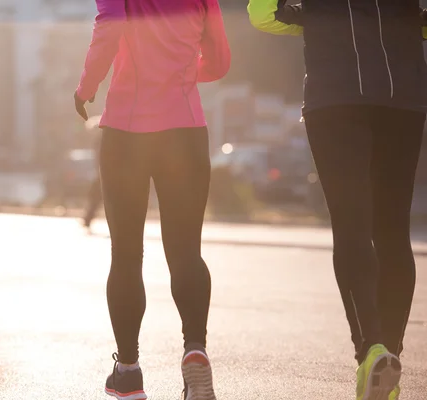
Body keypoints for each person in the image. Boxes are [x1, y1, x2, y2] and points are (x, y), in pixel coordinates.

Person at [248, 1, 427, 399]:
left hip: (337, 90)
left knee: (351, 226)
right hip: (403, 91)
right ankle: (390, 358)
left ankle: (371, 351)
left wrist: (314, 18)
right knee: (394, 230)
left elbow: (262, 12)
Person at [74, 0, 231, 398]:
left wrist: (86, 87)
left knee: (126, 254)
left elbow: (110, 25)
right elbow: (220, 60)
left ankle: (128, 371)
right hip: (186, 130)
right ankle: (195, 349)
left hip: (127, 130)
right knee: (186, 252)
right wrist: (180, 73)